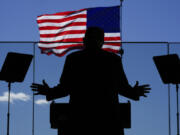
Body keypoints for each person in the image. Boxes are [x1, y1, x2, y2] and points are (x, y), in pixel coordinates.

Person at [31, 27, 151, 135]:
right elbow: (122, 87)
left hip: (80, 118)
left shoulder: (74, 59)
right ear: (102, 42)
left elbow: (65, 88)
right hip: (108, 119)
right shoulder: (112, 60)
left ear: (84, 41)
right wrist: (134, 93)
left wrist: (49, 92)